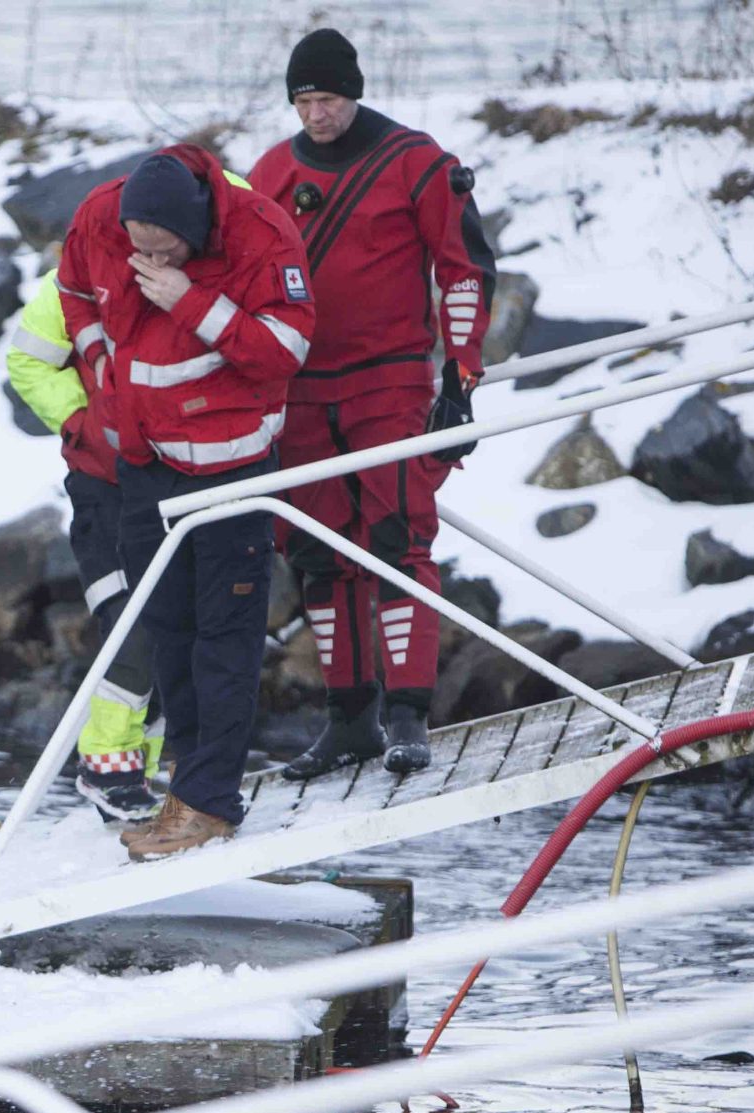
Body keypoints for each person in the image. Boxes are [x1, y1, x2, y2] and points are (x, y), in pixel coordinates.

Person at [249, 27, 495, 779]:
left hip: (389, 383)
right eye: (303, 100)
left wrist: (459, 381)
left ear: (352, 92)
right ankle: (348, 719)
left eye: (325, 98)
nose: (315, 114)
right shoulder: (269, 172)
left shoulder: (417, 164)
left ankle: (408, 716)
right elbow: (243, 279)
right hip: (298, 391)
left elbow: (464, 270)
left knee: (397, 542)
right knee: (319, 555)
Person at [57, 146, 314, 861]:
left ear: (194, 227)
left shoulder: (260, 235)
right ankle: (184, 789)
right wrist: (98, 359)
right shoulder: (100, 220)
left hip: (231, 474)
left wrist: (192, 301)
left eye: (161, 246)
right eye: (136, 243)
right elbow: (72, 288)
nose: (145, 255)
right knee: (165, 632)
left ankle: (210, 802)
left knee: (223, 641)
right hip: (145, 467)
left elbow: (286, 348)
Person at [6, 267, 157, 823]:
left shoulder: (239, 231)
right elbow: (27, 360)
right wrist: (84, 424)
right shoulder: (80, 269)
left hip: (191, 476)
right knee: (130, 624)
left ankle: (141, 772)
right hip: (107, 484)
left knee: (181, 630)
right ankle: (108, 768)